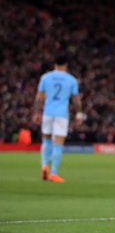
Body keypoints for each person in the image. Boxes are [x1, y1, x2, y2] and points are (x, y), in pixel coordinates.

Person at [34, 55, 83, 183]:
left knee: (46, 140)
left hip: (48, 112)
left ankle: (44, 165)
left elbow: (39, 97)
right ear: (66, 65)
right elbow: (76, 99)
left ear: (54, 64)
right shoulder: (71, 79)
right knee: (58, 144)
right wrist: (79, 113)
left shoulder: (45, 77)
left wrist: (36, 112)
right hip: (61, 114)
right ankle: (54, 173)